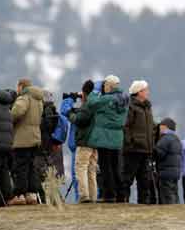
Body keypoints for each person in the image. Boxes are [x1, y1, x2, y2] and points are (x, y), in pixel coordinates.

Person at [86, 75, 129, 203]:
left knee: (106, 167)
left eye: (104, 86)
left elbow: (91, 104)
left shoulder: (106, 99)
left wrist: (94, 91)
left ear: (109, 86)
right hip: (117, 138)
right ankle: (121, 195)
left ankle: (109, 195)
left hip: (104, 138)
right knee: (116, 167)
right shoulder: (124, 99)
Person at [8, 78, 45, 205]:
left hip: (23, 138)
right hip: (35, 137)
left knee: (21, 167)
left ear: (21, 86)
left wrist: (9, 116)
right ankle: (31, 194)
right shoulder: (38, 99)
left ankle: (19, 195)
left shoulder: (24, 98)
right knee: (31, 167)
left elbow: (17, 112)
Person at [120, 80, 156, 204]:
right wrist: (130, 143)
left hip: (146, 150)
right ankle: (123, 201)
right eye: (146, 90)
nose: (148, 92)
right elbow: (125, 127)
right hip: (133, 150)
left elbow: (151, 128)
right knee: (127, 178)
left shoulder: (147, 107)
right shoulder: (130, 106)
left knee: (145, 179)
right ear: (139, 92)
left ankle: (143, 202)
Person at [63, 80, 97, 203]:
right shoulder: (97, 103)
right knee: (91, 170)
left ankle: (84, 195)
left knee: (81, 168)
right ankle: (93, 196)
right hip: (94, 142)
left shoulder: (87, 105)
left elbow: (79, 120)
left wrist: (70, 114)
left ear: (84, 93)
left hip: (84, 142)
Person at [35, 92, 59, 204]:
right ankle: (53, 196)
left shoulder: (46, 110)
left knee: (40, 169)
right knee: (49, 168)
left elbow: (45, 126)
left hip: (42, 143)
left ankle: (45, 197)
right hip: (49, 143)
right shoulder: (53, 110)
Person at [154, 118, 182, 204]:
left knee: (167, 196)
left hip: (165, 173)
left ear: (165, 127)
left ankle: (170, 212)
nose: (159, 129)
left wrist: (152, 149)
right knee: (174, 193)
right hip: (175, 173)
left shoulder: (165, 139)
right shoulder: (177, 139)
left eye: (161, 127)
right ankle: (177, 209)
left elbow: (159, 153)